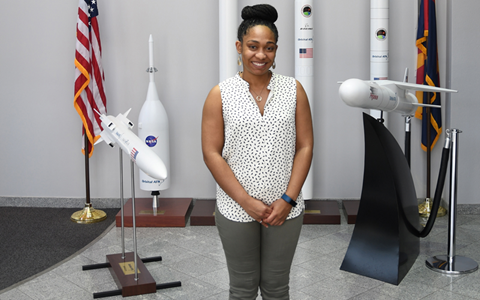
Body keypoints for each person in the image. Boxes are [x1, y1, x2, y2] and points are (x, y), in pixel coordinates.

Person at [201, 4, 313, 300]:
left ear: (276, 50)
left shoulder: (293, 90)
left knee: (277, 288)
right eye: (253, 46)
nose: (261, 55)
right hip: (235, 207)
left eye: (269, 47)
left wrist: (288, 198)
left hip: (285, 207)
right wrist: (246, 201)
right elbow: (211, 153)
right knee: (242, 288)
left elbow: (305, 146)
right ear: (239, 47)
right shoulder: (220, 94)